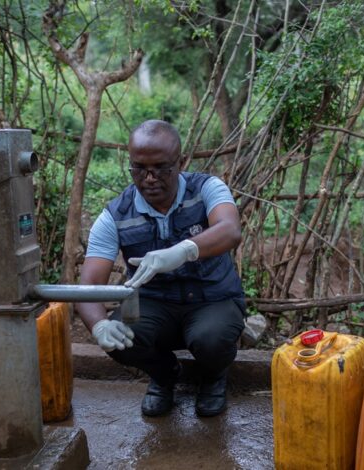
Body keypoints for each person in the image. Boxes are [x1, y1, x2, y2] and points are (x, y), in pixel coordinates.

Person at [76, 119, 246, 418]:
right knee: (121, 337)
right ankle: (164, 375)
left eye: (161, 168)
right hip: (153, 304)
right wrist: (98, 325)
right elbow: (89, 283)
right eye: (139, 168)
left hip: (212, 299)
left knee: (211, 338)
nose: (150, 178)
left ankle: (213, 377)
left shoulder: (207, 188)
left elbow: (230, 230)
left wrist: (184, 250)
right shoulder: (115, 214)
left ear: (181, 162)